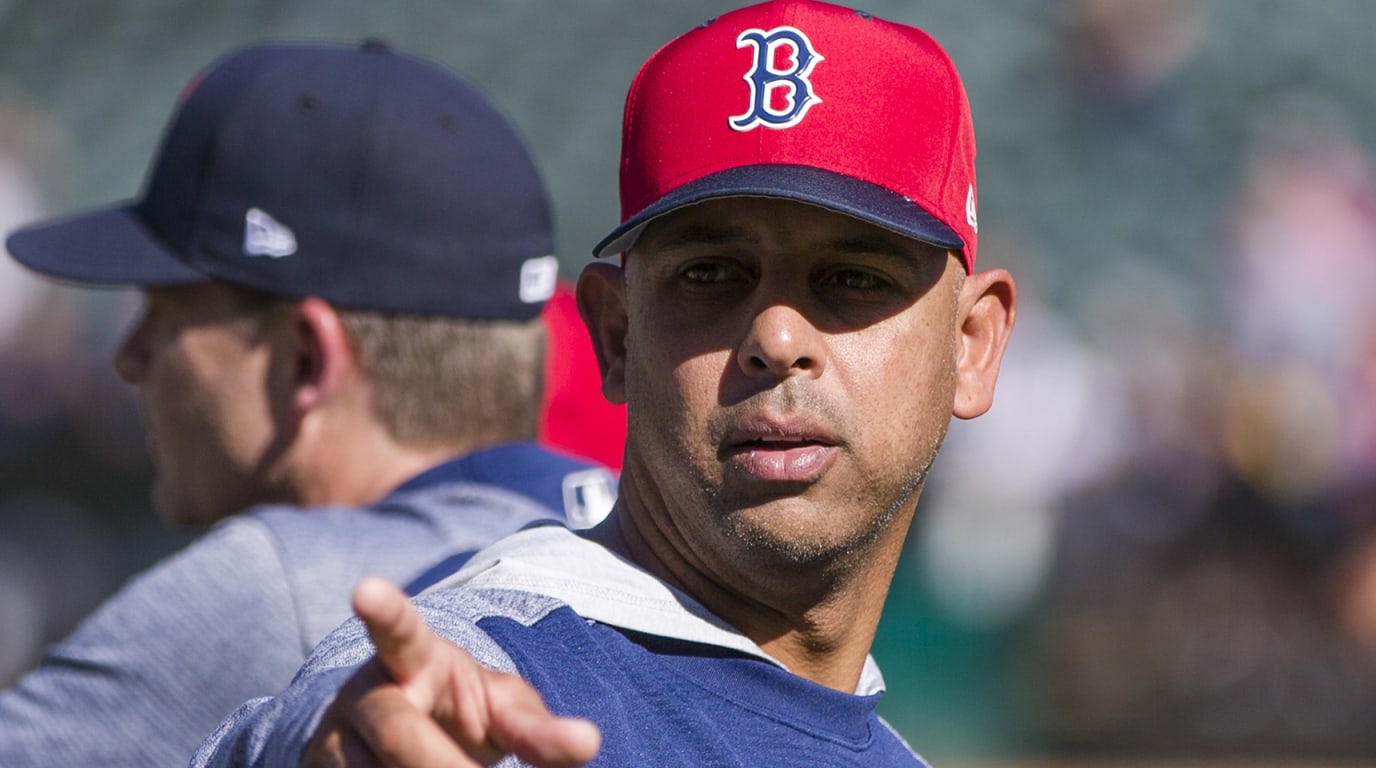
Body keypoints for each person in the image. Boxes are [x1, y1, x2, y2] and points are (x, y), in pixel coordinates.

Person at [194, 1, 1017, 766]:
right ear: (616, 334)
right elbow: (363, 719)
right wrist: (317, 741)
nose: (776, 337)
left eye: (853, 277)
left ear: (971, 345)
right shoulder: (501, 682)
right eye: (710, 273)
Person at [0, 41, 617, 768]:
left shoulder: (270, 588)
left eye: (168, 313)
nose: (129, 355)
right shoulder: (652, 548)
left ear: (307, 359)